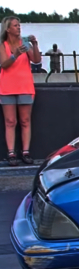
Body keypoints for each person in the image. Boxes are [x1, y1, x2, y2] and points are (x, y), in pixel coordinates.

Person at [0, 16, 41, 166]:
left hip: (24, 86)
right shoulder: (2, 44)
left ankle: (26, 151)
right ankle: (11, 152)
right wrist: (15, 54)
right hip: (7, 87)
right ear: (8, 29)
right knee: (10, 121)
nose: (19, 28)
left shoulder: (23, 43)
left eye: (19, 25)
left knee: (25, 120)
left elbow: (36, 60)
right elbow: (4, 64)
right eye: (15, 26)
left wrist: (34, 45)